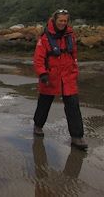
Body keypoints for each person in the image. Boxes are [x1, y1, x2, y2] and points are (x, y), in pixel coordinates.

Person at [33, 9, 87, 150]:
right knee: (44, 103)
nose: (63, 23)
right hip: (50, 76)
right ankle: (38, 126)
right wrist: (42, 74)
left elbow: (73, 54)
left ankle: (77, 137)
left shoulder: (70, 35)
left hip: (68, 76)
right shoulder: (44, 37)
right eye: (60, 21)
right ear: (54, 20)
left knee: (73, 105)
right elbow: (38, 59)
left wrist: (75, 70)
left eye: (65, 21)